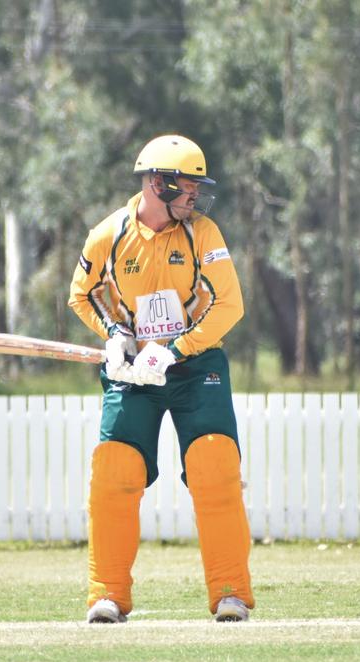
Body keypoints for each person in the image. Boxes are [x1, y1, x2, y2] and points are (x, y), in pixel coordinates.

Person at [67, 134, 253, 623]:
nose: (195, 198)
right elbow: (82, 296)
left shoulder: (203, 234)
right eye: (187, 188)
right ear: (157, 183)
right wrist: (113, 335)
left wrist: (173, 351)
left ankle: (229, 593)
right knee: (115, 471)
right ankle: (107, 594)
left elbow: (230, 305)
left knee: (215, 467)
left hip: (196, 366)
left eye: (196, 189)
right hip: (133, 371)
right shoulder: (107, 236)